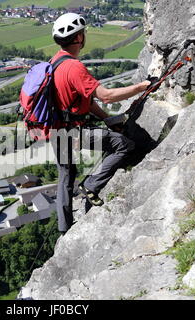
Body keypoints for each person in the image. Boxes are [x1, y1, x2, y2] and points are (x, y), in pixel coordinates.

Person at [50, 13, 152, 233]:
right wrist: (142, 86)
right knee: (124, 145)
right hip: (74, 132)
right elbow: (106, 95)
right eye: (83, 33)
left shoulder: (55, 62)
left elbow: (84, 100)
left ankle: (64, 228)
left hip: (56, 131)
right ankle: (91, 185)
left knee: (66, 178)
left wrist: (107, 119)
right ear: (78, 38)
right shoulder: (74, 67)